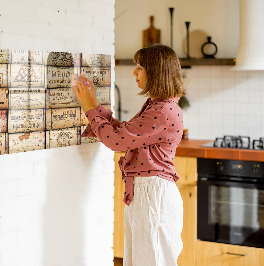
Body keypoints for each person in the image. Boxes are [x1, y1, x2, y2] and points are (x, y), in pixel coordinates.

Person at [72, 44, 185, 266]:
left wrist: (88, 107)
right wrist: (94, 103)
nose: (134, 72)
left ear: (156, 71)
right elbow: (124, 133)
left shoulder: (162, 111)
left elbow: (116, 141)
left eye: (140, 67)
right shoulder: (158, 106)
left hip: (153, 195)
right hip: (148, 193)